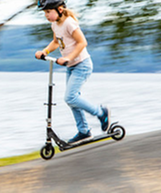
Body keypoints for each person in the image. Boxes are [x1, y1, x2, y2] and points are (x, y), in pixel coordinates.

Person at [34, 0, 110, 144]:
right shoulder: (55, 24)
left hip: (82, 64)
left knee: (71, 97)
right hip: (71, 66)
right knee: (72, 99)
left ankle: (101, 113)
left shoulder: (69, 23)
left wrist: (68, 57)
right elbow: (56, 42)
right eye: (45, 12)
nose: (46, 15)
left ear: (60, 9)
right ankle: (84, 131)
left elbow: (82, 42)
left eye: (48, 12)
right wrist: (45, 51)